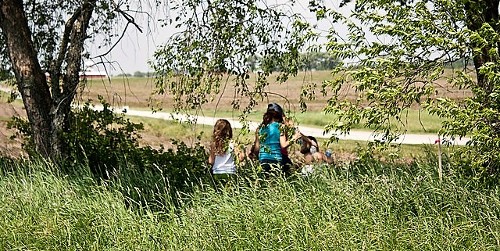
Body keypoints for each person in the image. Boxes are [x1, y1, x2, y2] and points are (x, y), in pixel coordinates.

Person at [252, 104, 301, 174]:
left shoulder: (260, 129)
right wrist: (294, 138)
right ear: (279, 117)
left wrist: (256, 159)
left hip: (263, 159)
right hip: (276, 159)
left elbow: (256, 149)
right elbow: (283, 145)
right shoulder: (280, 127)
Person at [208, 119, 243, 185]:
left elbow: (211, 161)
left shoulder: (214, 144)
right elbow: (241, 157)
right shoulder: (233, 143)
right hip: (230, 172)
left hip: (217, 172)